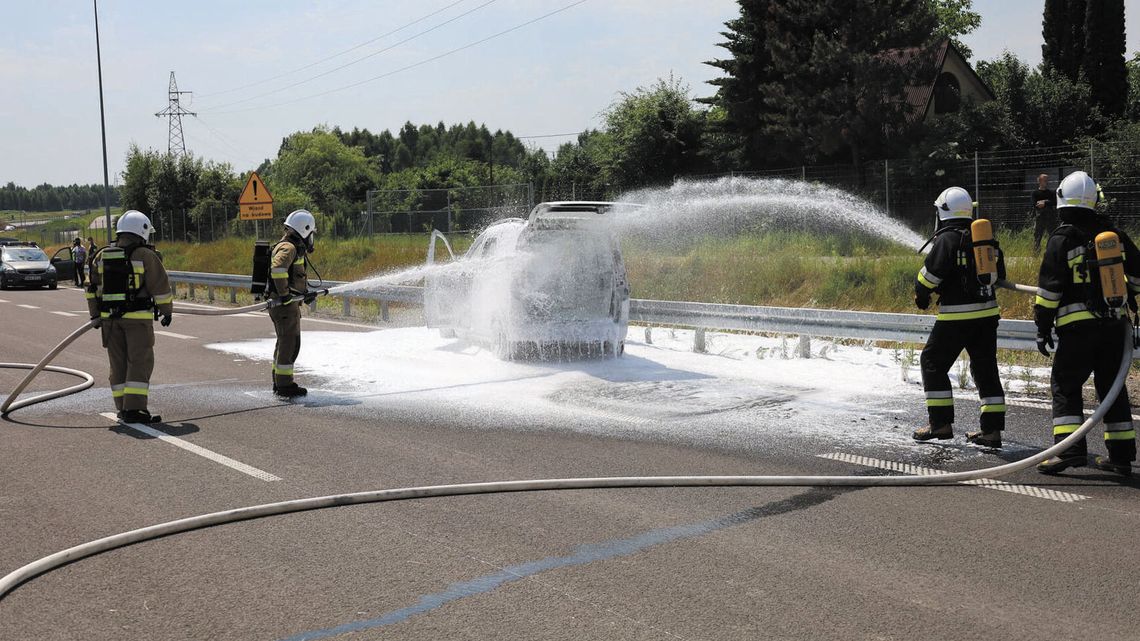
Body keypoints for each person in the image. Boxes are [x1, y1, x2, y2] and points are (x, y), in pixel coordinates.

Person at [1034, 170, 1137, 476]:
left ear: (1061, 200)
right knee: (1112, 388)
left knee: (1066, 386)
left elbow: (1049, 291)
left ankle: (1068, 450)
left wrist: (1042, 327)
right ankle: (1120, 457)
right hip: (1115, 328)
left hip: (1077, 330)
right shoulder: (1114, 236)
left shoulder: (1062, 239)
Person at [912, 187, 1007, 448]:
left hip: (956, 317)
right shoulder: (985, 240)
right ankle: (991, 432)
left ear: (943, 211)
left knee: (932, 361)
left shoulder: (947, 239)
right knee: (985, 369)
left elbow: (929, 277)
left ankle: (940, 424)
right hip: (987, 316)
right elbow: (1000, 276)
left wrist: (922, 295)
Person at [86, 210, 174, 423]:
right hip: (137, 320)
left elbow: (91, 288)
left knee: (118, 363)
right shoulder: (145, 256)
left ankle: (122, 407)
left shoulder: (102, 255)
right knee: (139, 361)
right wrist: (166, 312)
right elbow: (160, 287)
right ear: (142, 231)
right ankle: (135, 409)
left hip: (109, 321)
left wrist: (95, 315)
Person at [268, 209, 317, 398]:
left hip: (287, 304)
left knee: (284, 342)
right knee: (289, 343)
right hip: (284, 305)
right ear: (304, 230)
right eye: (310, 232)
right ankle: (284, 385)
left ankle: (278, 381)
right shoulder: (289, 247)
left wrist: (303, 294)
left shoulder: (292, 246)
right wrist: (285, 295)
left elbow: (291, 275)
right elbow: (278, 269)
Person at [1031, 173, 1057, 252]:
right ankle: (1036, 253)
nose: (1047, 182)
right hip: (1040, 217)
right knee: (1037, 236)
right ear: (1039, 181)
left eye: (1047, 180)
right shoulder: (1035, 193)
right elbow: (1035, 204)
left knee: (1052, 235)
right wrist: (1047, 202)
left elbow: (1054, 202)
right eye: (1044, 180)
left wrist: (1044, 202)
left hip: (1050, 218)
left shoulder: (1051, 193)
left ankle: (1052, 251)